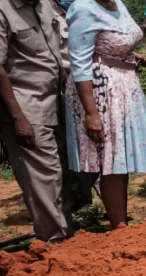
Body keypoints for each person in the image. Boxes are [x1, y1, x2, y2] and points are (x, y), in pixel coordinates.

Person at [65, 0, 146, 230]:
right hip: (100, 92)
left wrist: (139, 58)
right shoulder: (83, 8)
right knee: (111, 159)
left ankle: (120, 221)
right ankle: (119, 226)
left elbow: (116, 45)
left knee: (119, 160)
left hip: (123, 88)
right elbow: (79, 63)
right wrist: (91, 113)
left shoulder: (117, 3)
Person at [0, 0, 73, 242]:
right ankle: (54, 240)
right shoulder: (3, 10)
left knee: (61, 173)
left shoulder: (43, 5)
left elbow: (52, 52)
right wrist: (18, 117)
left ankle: (65, 235)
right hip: (26, 106)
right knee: (44, 176)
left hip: (54, 100)